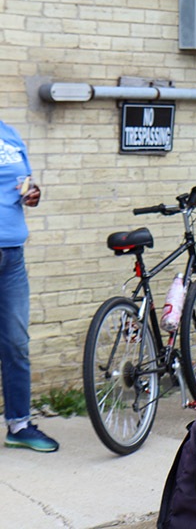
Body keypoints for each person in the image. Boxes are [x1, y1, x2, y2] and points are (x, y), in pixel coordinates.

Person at [0, 120, 58, 452]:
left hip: (12, 256)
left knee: (16, 343)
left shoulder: (10, 134)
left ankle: (19, 425)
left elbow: (24, 185)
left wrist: (32, 193)